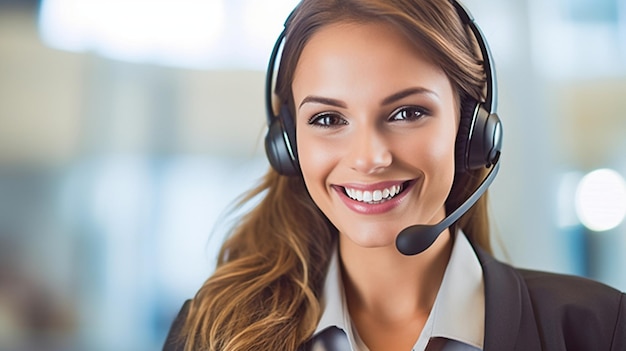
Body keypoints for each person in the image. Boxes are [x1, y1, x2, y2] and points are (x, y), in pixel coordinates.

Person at [163, 0, 626, 350]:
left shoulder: (600, 327)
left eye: (407, 112)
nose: (369, 158)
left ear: (470, 130)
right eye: (328, 119)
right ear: (287, 142)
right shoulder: (212, 330)